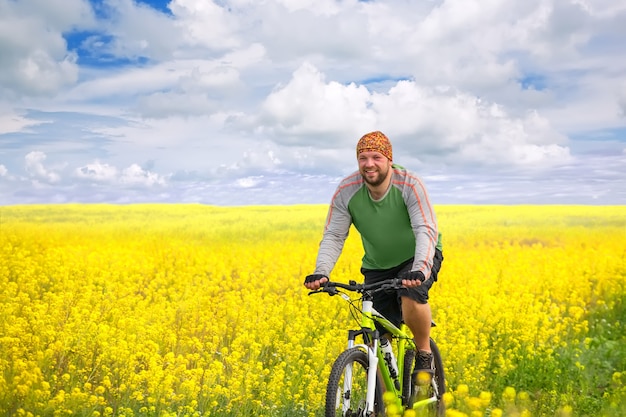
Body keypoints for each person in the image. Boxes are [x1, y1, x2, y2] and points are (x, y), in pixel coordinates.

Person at [304, 130, 443, 380]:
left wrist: (421, 269)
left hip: (418, 257)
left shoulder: (409, 184)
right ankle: (381, 399)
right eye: (363, 158)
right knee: (375, 337)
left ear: (389, 159)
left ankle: (424, 354)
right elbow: (334, 235)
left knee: (411, 295)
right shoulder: (347, 190)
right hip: (377, 264)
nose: (369, 164)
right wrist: (321, 272)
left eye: (376, 157)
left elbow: (425, 229)